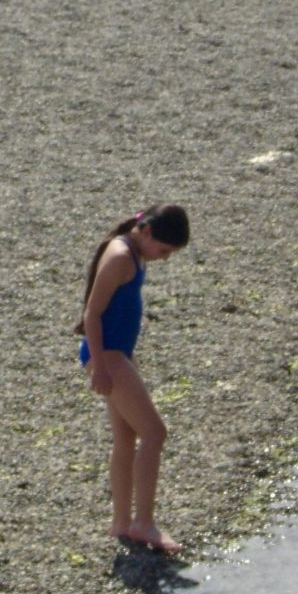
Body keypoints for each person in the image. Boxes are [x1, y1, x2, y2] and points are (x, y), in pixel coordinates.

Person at [76, 203, 191, 553]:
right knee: (155, 433)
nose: (165, 258)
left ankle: (122, 522)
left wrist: (125, 358)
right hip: (106, 357)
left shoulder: (135, 251)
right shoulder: (120, 257)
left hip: (118, 355)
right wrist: (99, 365)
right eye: (165, 250)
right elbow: (92, 315)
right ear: (148, 232)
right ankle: (144, 523)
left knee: (126, 439)